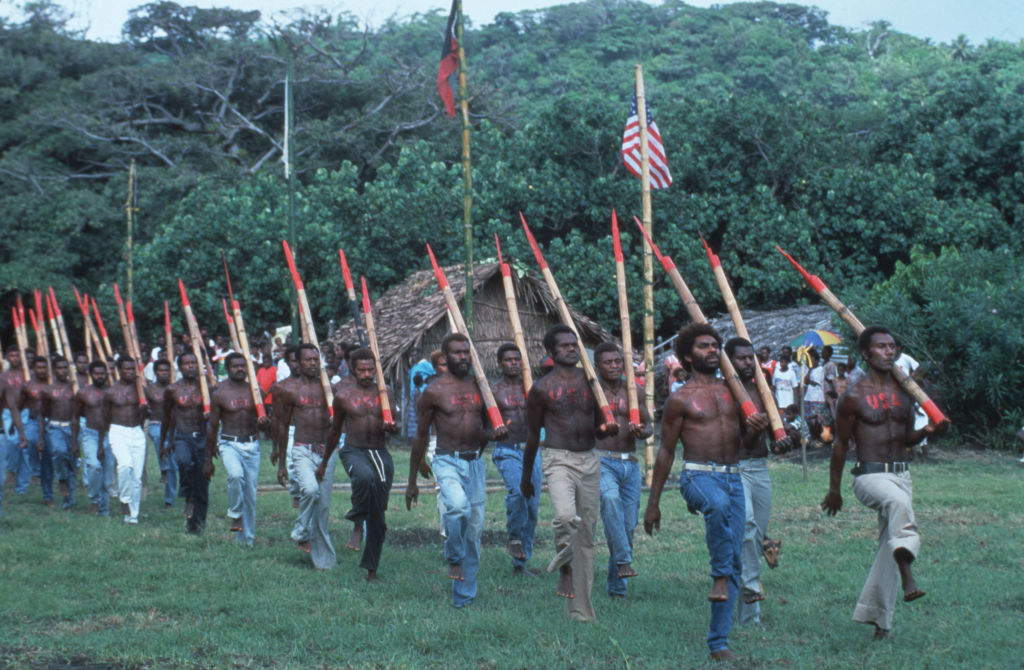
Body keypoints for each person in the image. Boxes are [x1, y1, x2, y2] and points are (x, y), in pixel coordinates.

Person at [644, 324, 768, 661]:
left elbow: (747, 443)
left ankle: (718, 644)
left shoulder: (735, 392)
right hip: (698, 476)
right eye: (704, 346)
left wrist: (758, 430)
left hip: (733, 475)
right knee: (716, 505)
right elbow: (667, 451)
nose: (712, 350)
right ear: (687, 355)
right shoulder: (680, 398)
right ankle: (718, 577)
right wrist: (653, 503)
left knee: (737, 558)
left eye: (715, 345)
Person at [822, 326, 944, 640]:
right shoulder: (853, 395)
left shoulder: (904, 393)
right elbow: (839, 445)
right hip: (870, 476)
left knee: (887, 545)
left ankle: (879, 622)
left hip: (901, 474)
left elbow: (906, 439)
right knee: (898, 506)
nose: (889, 352)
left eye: (892, 347)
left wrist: (927, 432)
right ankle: (908, 573)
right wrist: (834, 490)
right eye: (881, 347)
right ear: (866, 353)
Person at [520, 325, 617, 622]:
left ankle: (581, 612)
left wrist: (606, 428)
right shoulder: (540, 389)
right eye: (564, 346)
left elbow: (601, 424)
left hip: (590, 459)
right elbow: (534, 436)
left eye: (574, 344)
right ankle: (564, 565)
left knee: (586, 537)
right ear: (551, 353)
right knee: (564, 517)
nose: (572, 349)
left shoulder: (592, 382)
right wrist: (526, 477)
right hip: (558, 459)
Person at [407, 334, 508, 607]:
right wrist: (412, 480)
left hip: (474, 463)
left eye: (466, 352)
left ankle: (464, 597)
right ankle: (453, 556)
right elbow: (420, 436)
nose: (463, 357)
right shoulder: (434, 391)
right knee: (457, 508)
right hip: (446, 460)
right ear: (445, 357)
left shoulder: (481, 388)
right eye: (457, 353)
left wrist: (496, 434)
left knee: (474, 532)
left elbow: (485, 429)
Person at [319, 347, 397, 581]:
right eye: (361, 370)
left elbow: (397, 423)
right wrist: (324, 463)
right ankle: (357, 520)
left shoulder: (386, 393)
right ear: (353, 370)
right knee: (364, 477)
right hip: (353, 450)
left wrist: (393, 427)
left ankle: (371, 567)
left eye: (370, 369)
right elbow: (334, 431)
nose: (366, 374)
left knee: (379, 515)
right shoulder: (343, 396)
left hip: (380, 452)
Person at [725, 338, 780, 626]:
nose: (748, 363)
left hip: (759, 467)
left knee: (756, 536)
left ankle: (750, 618)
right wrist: (750, 433)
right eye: (741, 358)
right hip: (734, 468)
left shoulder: (763, 389)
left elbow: (774, 433)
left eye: (751, 358)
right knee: (746, 527)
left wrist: (786, 439)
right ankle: (748, 590)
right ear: (728, 361)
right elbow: (730, 441)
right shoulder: (723, 392)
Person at [593, 343, 652, 598]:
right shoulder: (592, 393)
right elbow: (580, 428)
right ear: (597, 366)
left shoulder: (635, 391)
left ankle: (617, 587)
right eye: (608, 362)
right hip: (601, 459)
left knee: (627, 525)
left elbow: (649, 425)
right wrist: (602, 430)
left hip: (630, 463)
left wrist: (642, 431)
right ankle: (624, 560)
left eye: (618, 361)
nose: (615, 366)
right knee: (609, 499)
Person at [277, 343, 337, 569]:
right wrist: (282, 463)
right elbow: (283, 426)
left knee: (322, 507)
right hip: (302, 448)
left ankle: (324, 561)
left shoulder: (329, 389)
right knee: (310, 490)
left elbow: (341, 421)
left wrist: (335, 421)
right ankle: (301, 529)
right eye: (307, 360)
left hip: (326, 451)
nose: (312, 363)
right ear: (298, 363)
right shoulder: (290, 391)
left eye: (315, 359)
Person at [204, 352, 269, 546]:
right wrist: (208, 459)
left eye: (243, 366)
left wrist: (265, 422)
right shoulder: (220, 393)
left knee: (250, 495)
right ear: (228, 369)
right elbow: (213, 426)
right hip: (229, 443)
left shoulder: (256, 392)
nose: (240, 369)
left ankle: (245, 540)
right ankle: (235, 513)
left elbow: (267, 426)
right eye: (235, 366)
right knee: (235, 476)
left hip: (251, 444)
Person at [490, 343, 542, 575]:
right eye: (508, 360)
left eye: (516, 359)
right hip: (507, 449)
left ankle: (521, 563)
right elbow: (484, 424)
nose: (513, 363)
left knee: (531, 506)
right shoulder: (493, 391)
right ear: (500, 363)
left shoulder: (532, 388)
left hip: (532, 450)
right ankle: (513, 536)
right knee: (517, 492)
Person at [159, 351, 208, 533]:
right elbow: (166, 417)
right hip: (182, 436)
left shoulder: (205, 387)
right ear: (179, 367)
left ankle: (197, 526)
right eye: (186, 363)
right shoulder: (172, 390)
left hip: (202, 437)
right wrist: (165, 442)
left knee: (202, 480)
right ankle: (188, 497)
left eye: (193, 363)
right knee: (184, 461)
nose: (190, 366)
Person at [101, 358, 147, 524]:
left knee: (137, 477)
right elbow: (105, 418)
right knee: (125, 464)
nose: (130, 372)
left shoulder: (140, 390)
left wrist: (143, 411)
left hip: (136, 431)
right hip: (118, 431)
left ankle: (132, 515)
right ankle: (124, 499)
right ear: (119, 370)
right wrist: (103, 440)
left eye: (132, 369)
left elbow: (144, 416)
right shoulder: (111, 392)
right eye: (126, 369)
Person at [9, 356, 54, 505]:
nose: (42, 370)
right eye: (39, 367)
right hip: (32, 421)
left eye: (44, 367)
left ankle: (48, 495)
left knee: (48, 459)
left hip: (50, 423)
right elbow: (19, 406)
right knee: (31, 443)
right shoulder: (27, 386)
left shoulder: (52, 386)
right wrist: (14, 425)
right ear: (33, 369)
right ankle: (33, 471)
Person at [72, 361, 114, 515]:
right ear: (90, 374)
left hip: (110, 435)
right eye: (96, 373)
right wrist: (74, 443)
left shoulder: (112, 392)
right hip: (90, 434)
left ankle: (105, 507)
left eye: (102, 373)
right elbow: (75, 417)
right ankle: (95, 500)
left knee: (108, 473)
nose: (99, 376)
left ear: (106, 374)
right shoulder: (83, 393)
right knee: (95, 466)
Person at [40, 356, 78, 510]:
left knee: (72, 463)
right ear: (54, 370)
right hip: (55, 427)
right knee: (59, 451)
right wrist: (40, 438)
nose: (63, 371)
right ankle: (61, 479)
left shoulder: (75, 388)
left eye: (65, 368)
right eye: (59, 368)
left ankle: (68, 501)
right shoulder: (48, 390)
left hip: (73, 427)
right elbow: (43, 415)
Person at [145, 359, 177, 507]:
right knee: (159, 438)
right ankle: (163, 469)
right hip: (156, 424)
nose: (164, 373)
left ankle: (170, 498)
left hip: (174, 427)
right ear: (156, 372)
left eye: (166, 370)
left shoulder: (175, 388)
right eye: (161, 370)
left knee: (174, 462)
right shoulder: (149, 389)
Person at [2, 345, 29, 497]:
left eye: (17, 355)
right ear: (7, 357)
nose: (15, 358)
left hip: (24, 412)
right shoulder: (3, 376)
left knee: (24, 448)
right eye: (12, 356)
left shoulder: (27, 374)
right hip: (7, 413)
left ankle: (22, 485)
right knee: (11, 444)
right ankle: (11, 469)